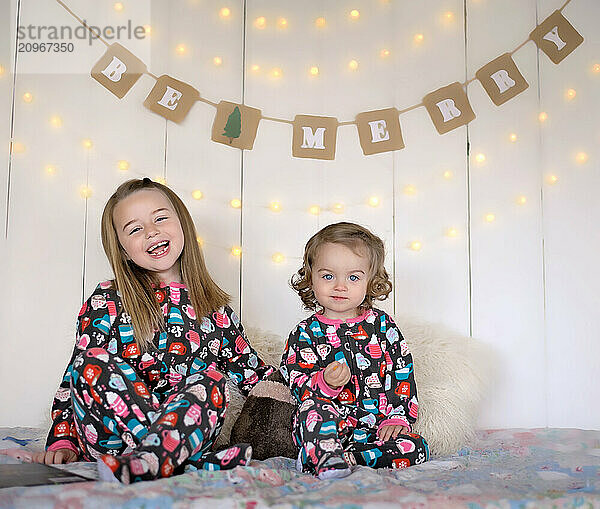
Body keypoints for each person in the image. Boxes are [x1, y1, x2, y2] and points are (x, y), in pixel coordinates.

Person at [34, 177, 274, 484]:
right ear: (122, 250)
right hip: (111, 441)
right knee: (90, 362)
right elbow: (75, 378)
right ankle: (179, 461)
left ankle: (159, 459)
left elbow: (255, 376)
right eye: (134, 228)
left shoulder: (215, 311)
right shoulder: (107, 298)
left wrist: (314, 395)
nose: (151, 231)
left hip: (184, 437)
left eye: (160, 218)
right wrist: (63, 440)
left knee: (212, 383)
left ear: (182, 224)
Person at [280, 222, 429, 480]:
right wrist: (324, 383)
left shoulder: (383, 326)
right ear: (311, 277)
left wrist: (397, 417)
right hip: (327, 427)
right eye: (328, 276)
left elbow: (401, 372)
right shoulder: (304, 332)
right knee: (310, 411)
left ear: (370, 281)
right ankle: (322, 452)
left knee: (416, 447)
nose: (340, 286)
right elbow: (294, 381)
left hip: (375, 429)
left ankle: (346, 459)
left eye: (353, 277)